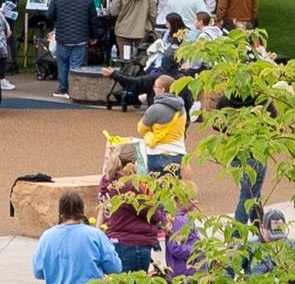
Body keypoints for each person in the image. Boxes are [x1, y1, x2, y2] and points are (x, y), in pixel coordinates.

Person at [99, 142, 163, 272]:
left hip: (115, 238)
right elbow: (154, 215)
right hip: (134, 244)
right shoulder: (130, 187)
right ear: (132, 163)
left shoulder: (107, 181)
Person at [32, 192, 122, 284]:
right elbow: (115, 267)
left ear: (60, 212)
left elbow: (38, 272)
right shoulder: (96, 235)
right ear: (82, 210)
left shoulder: (47, 237)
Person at [49, 0, 95, 96]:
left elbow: (49, 16)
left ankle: (62, 88)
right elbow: (93, 20)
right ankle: (73, 89)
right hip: (80, 37)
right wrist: (94, 35)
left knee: (62, 63)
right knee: (76, 65)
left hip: (62, 36)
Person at [139, 76, 188, 174]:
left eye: (155, 86)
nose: (153, 88)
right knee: (174, 186)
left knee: (156, 186)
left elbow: (141, 129)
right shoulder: (182, 109)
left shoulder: (155, 109)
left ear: (162, 89)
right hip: (178, 152)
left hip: (158, 152)